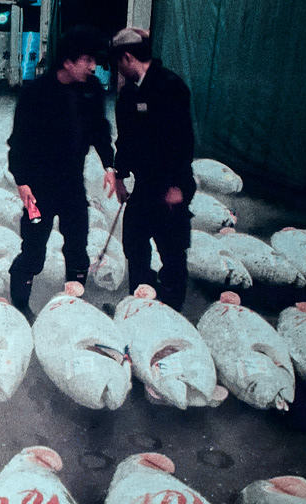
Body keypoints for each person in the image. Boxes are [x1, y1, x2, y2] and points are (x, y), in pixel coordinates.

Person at [6, 26, 116, 323]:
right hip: (39, 187)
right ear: (67, 62)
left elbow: (100, 131)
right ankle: (19, 310)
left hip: (71, 185)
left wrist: (110, 164)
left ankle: (73, 306)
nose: (93, 66)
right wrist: (21, 181)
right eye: (87, 60)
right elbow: (19, 142)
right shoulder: (35, 92)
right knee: (33, 252)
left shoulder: (91, 90)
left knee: (78, 247)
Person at [110, 27, 197, 311]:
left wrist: (177, 187)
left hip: (172, 185)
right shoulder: (127, 96)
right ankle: (141, 300)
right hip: (146, 184)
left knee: (172, 250)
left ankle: (172, 306)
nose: (118, 71)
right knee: (134, 241)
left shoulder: (170, 86)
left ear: (127, 57)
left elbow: (182, 141)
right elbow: (125, 140)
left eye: (117, 64)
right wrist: (120, 176)